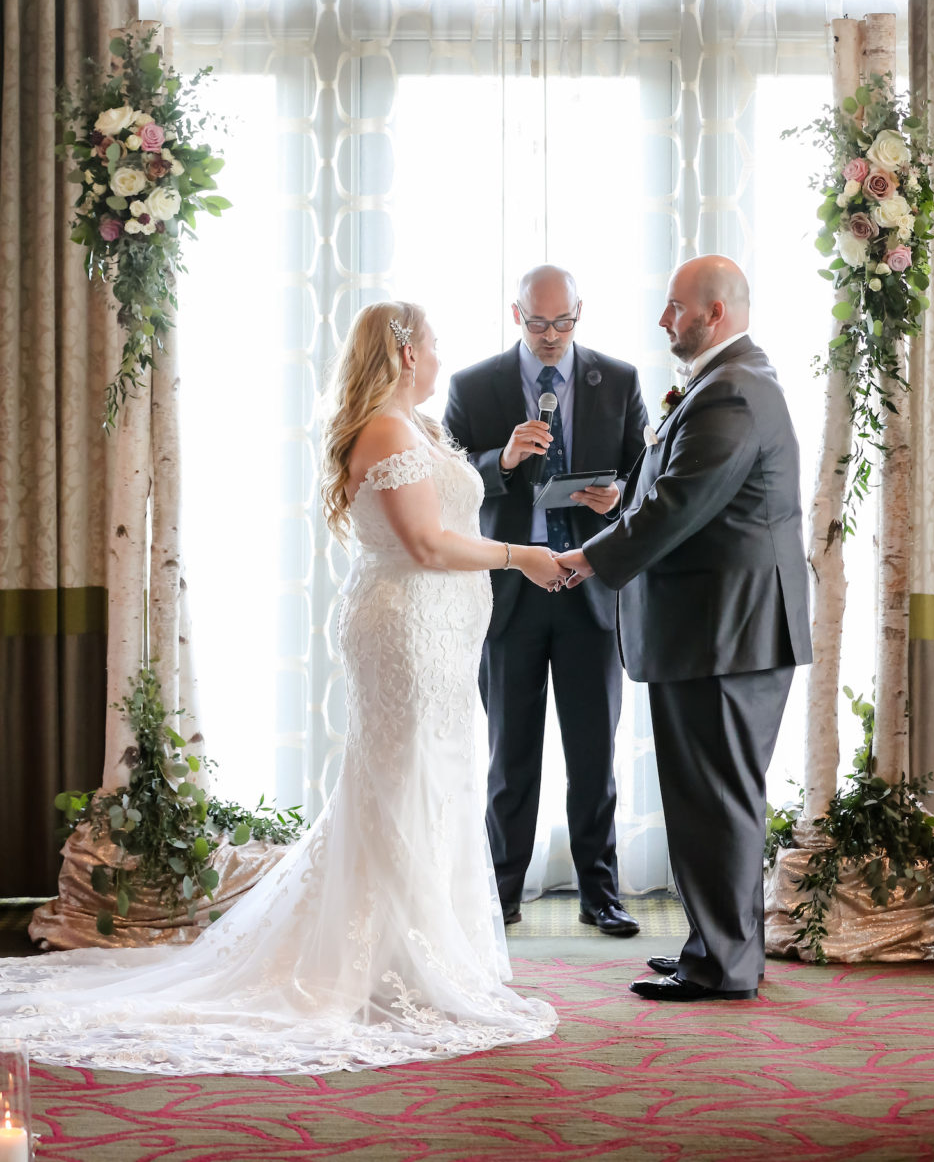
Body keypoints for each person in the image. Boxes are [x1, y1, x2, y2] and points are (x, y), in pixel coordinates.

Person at [0, 301, 561, 1073]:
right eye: (433, 345)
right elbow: (426, 543)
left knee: (432, 779)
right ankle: (383, 959)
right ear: (403, 353)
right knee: (402, 782)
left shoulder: (423, 429)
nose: (440, 358)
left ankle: (429, 946)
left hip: (443, 636)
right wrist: (519, 555)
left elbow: (446, 510)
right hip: (403, 631)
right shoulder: (390, 432)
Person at [557, 255, 812, 1001]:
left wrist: (588, 558)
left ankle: (724, 965)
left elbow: (681, 505)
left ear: (716, 313)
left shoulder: (732, 390)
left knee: (719, 800)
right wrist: (624, 504)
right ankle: (714, 946)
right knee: (706, 798)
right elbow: (672, 490)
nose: (665, 320)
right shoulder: (725, 382)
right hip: (713, 631)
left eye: (676, 308)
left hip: (727, 632)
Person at [444, 266, 649, 936]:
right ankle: (500, 892)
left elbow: (647, 476)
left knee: (595, 753)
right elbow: (443, 486)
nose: (553, 336)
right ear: (516, 315)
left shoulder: (618, 380)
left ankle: (602, 894)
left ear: (580, 313)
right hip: (510, 594)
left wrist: (619, 496)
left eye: (565, 322)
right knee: (511, 756)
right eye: (539, 323)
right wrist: (499, 462)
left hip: (590, 589)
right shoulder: (474, 387)